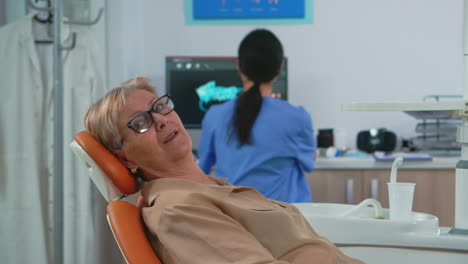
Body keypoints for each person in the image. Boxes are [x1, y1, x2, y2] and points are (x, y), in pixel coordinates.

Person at [83, 77, 363, 264]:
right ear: (126, 159)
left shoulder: (212, 188)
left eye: (159, 107)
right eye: (140, 122)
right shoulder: (179, 210)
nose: (160, 120)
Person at [197, 29, 315, 203]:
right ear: (280, 68)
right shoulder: (298, 117)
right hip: (286, 221)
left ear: (239, 66)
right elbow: (309, 164)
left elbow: (203, 168)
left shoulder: (215, 116)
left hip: (234, 219)